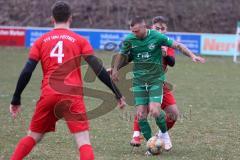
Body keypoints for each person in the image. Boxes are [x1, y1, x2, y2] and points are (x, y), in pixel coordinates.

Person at [9, 1, 125, 160]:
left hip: (48, 95)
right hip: (72, 95)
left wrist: (16, 98)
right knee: (83, 141)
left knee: (33, 136)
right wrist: (117, 93)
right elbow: (98, 69)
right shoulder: (80, 40)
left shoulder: (41, 40)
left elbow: (27, 71)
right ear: (71, 18)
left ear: (52, 19)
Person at [111, 16, 205, 154]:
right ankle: (151, 145)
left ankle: (164, 135)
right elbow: (123, 55)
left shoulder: (156, 37)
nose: (134, 34)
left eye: (136, 31)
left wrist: (192, 55)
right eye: (132, 31)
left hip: (155, 80)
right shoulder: (130, 40)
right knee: (141, 115)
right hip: (139, 82)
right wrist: (114, 70)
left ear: (144, 27)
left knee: (155, 111)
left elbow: (177, 46)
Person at [130, 16, 179, 147]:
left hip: (159, 82)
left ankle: (160, 135)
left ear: (166, 30)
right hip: (144, 81)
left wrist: (165, 54)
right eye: (158, 28)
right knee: (143, 109)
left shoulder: (166, 43)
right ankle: (136, 135)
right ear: (152, 27)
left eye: (163, 29)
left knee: (173, 114)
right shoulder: (145, 40)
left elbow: (172, 62)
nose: (160, 31)